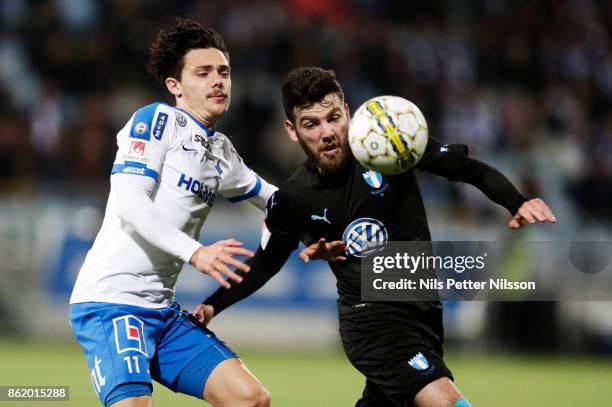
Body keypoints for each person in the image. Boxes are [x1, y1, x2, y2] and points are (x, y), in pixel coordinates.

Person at [196, 67, 557, 407]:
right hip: (370, 320)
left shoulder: (388, 144)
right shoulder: (293, 198)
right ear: (292, 130)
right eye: (311, 124)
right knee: (442, 399)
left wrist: (517, 201)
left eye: (333, 118)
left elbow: (464, 168)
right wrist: (214, 304)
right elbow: (267, 262)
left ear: (348, 113)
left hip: (423, 311)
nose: (326, 132)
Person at [69, 18, 323, 407]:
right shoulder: (156, 121)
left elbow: (275, 199)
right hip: (112, 302)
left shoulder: (220, 151)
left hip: (163, 313)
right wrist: (197, 253)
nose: (218, 81)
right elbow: (131, 205)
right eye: (202, 73)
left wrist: (317, 235)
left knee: (251, 399)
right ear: (175, 85)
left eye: (223, 72)